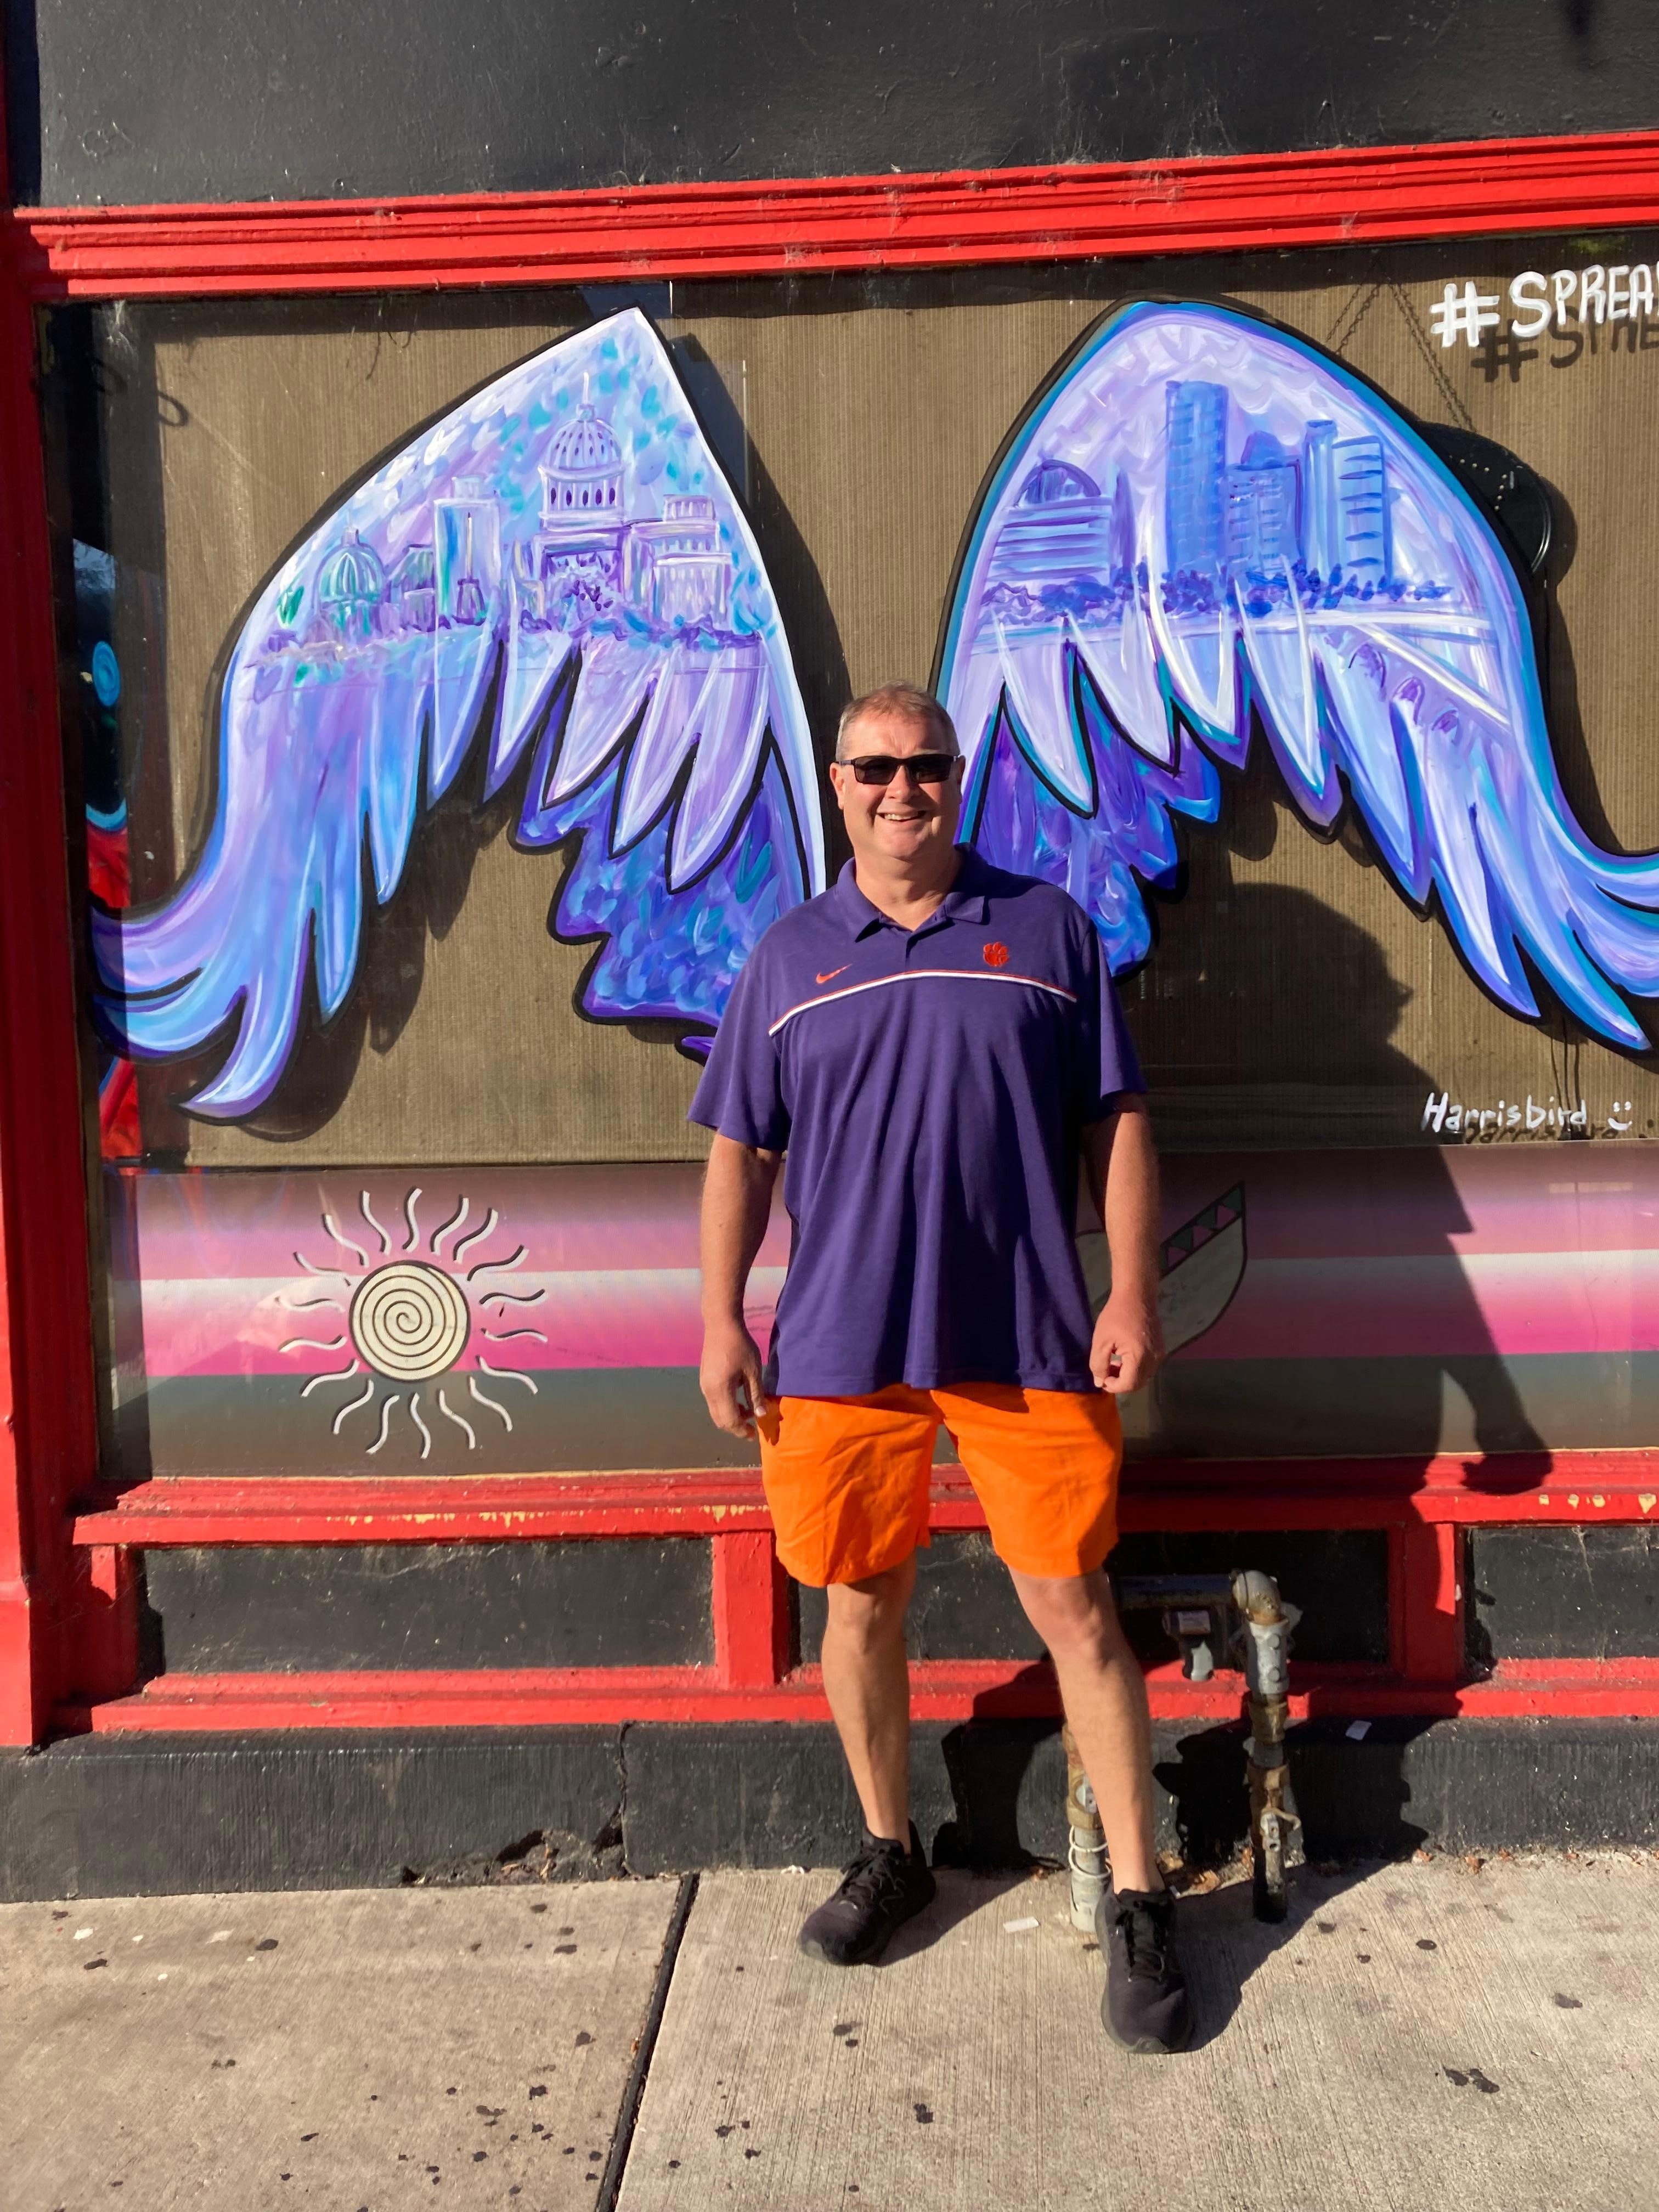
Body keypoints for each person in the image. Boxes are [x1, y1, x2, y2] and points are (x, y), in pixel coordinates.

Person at [690, 681, 1189, 2054]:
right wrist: (720, 1318)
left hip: (1025, 1332)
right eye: (875, 769)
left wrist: (1133, 1288)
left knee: (1075, 1607)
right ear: (836, 785)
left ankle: (1140, 1899)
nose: (901, 788)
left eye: (926, 765)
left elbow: (1116, 1120)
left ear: (957, 779)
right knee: (857, 1606)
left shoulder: (1047, 930)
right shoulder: (788, 957)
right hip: (840, 1343)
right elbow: (741, 1153)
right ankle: (890, 1851)